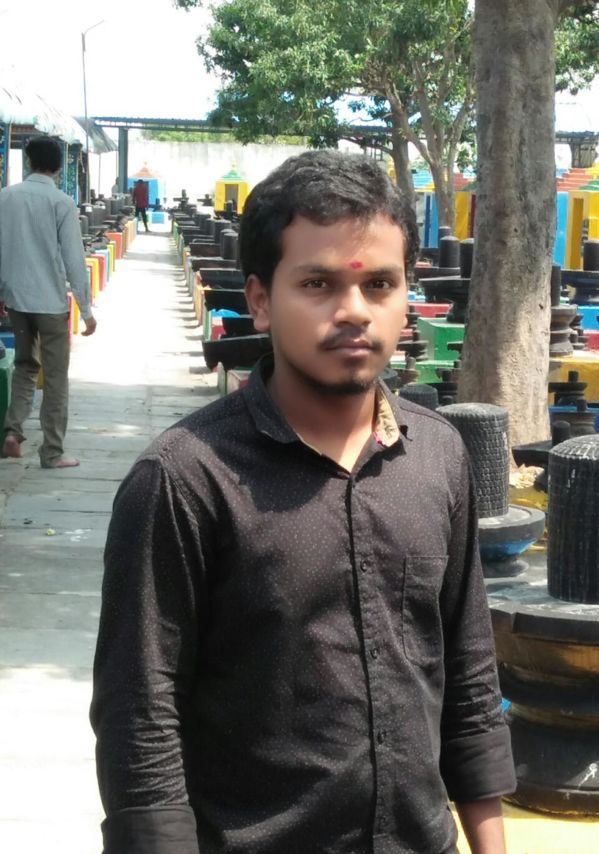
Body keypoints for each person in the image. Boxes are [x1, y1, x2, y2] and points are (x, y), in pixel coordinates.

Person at [91, 150, 515, 853]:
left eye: (380, 284)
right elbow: (141, 714)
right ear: (260, 299)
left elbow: (468, 671)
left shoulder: (438, 457)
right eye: (318, 284)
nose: (354, 311)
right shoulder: (185, 479)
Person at [0, 136, 97, 468]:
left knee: (25, 366)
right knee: (55, 377)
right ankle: (52, 451)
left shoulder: (5, 198)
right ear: (58, 167)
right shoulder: (61, 202)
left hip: (17, 301)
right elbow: (74, 259)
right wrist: (86, 310)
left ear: (28, 162)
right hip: (50, 303)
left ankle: (13, 432)